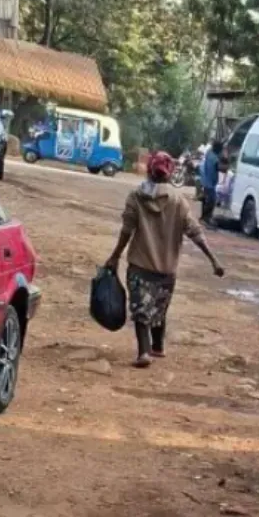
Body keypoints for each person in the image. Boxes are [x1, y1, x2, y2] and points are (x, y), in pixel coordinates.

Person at [103, 151, 225, 368]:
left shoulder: (136, 197)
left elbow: (126, 231)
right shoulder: (179, 201)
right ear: (169, 174)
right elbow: (195, 232)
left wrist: (115, 256)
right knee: (159, 308)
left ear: (149, 170)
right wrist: (213, 260)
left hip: (140, 264)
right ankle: (157, 346)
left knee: (141, 310)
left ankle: (144, 352)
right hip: (167, 268)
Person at [200, 139, 222, 224]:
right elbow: (218, 167)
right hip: (210, 182)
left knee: (206, 199)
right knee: (212, 201)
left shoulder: (209, 154)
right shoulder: (215, 158)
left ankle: (204, 217)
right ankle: (206, 218)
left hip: (205, 179)